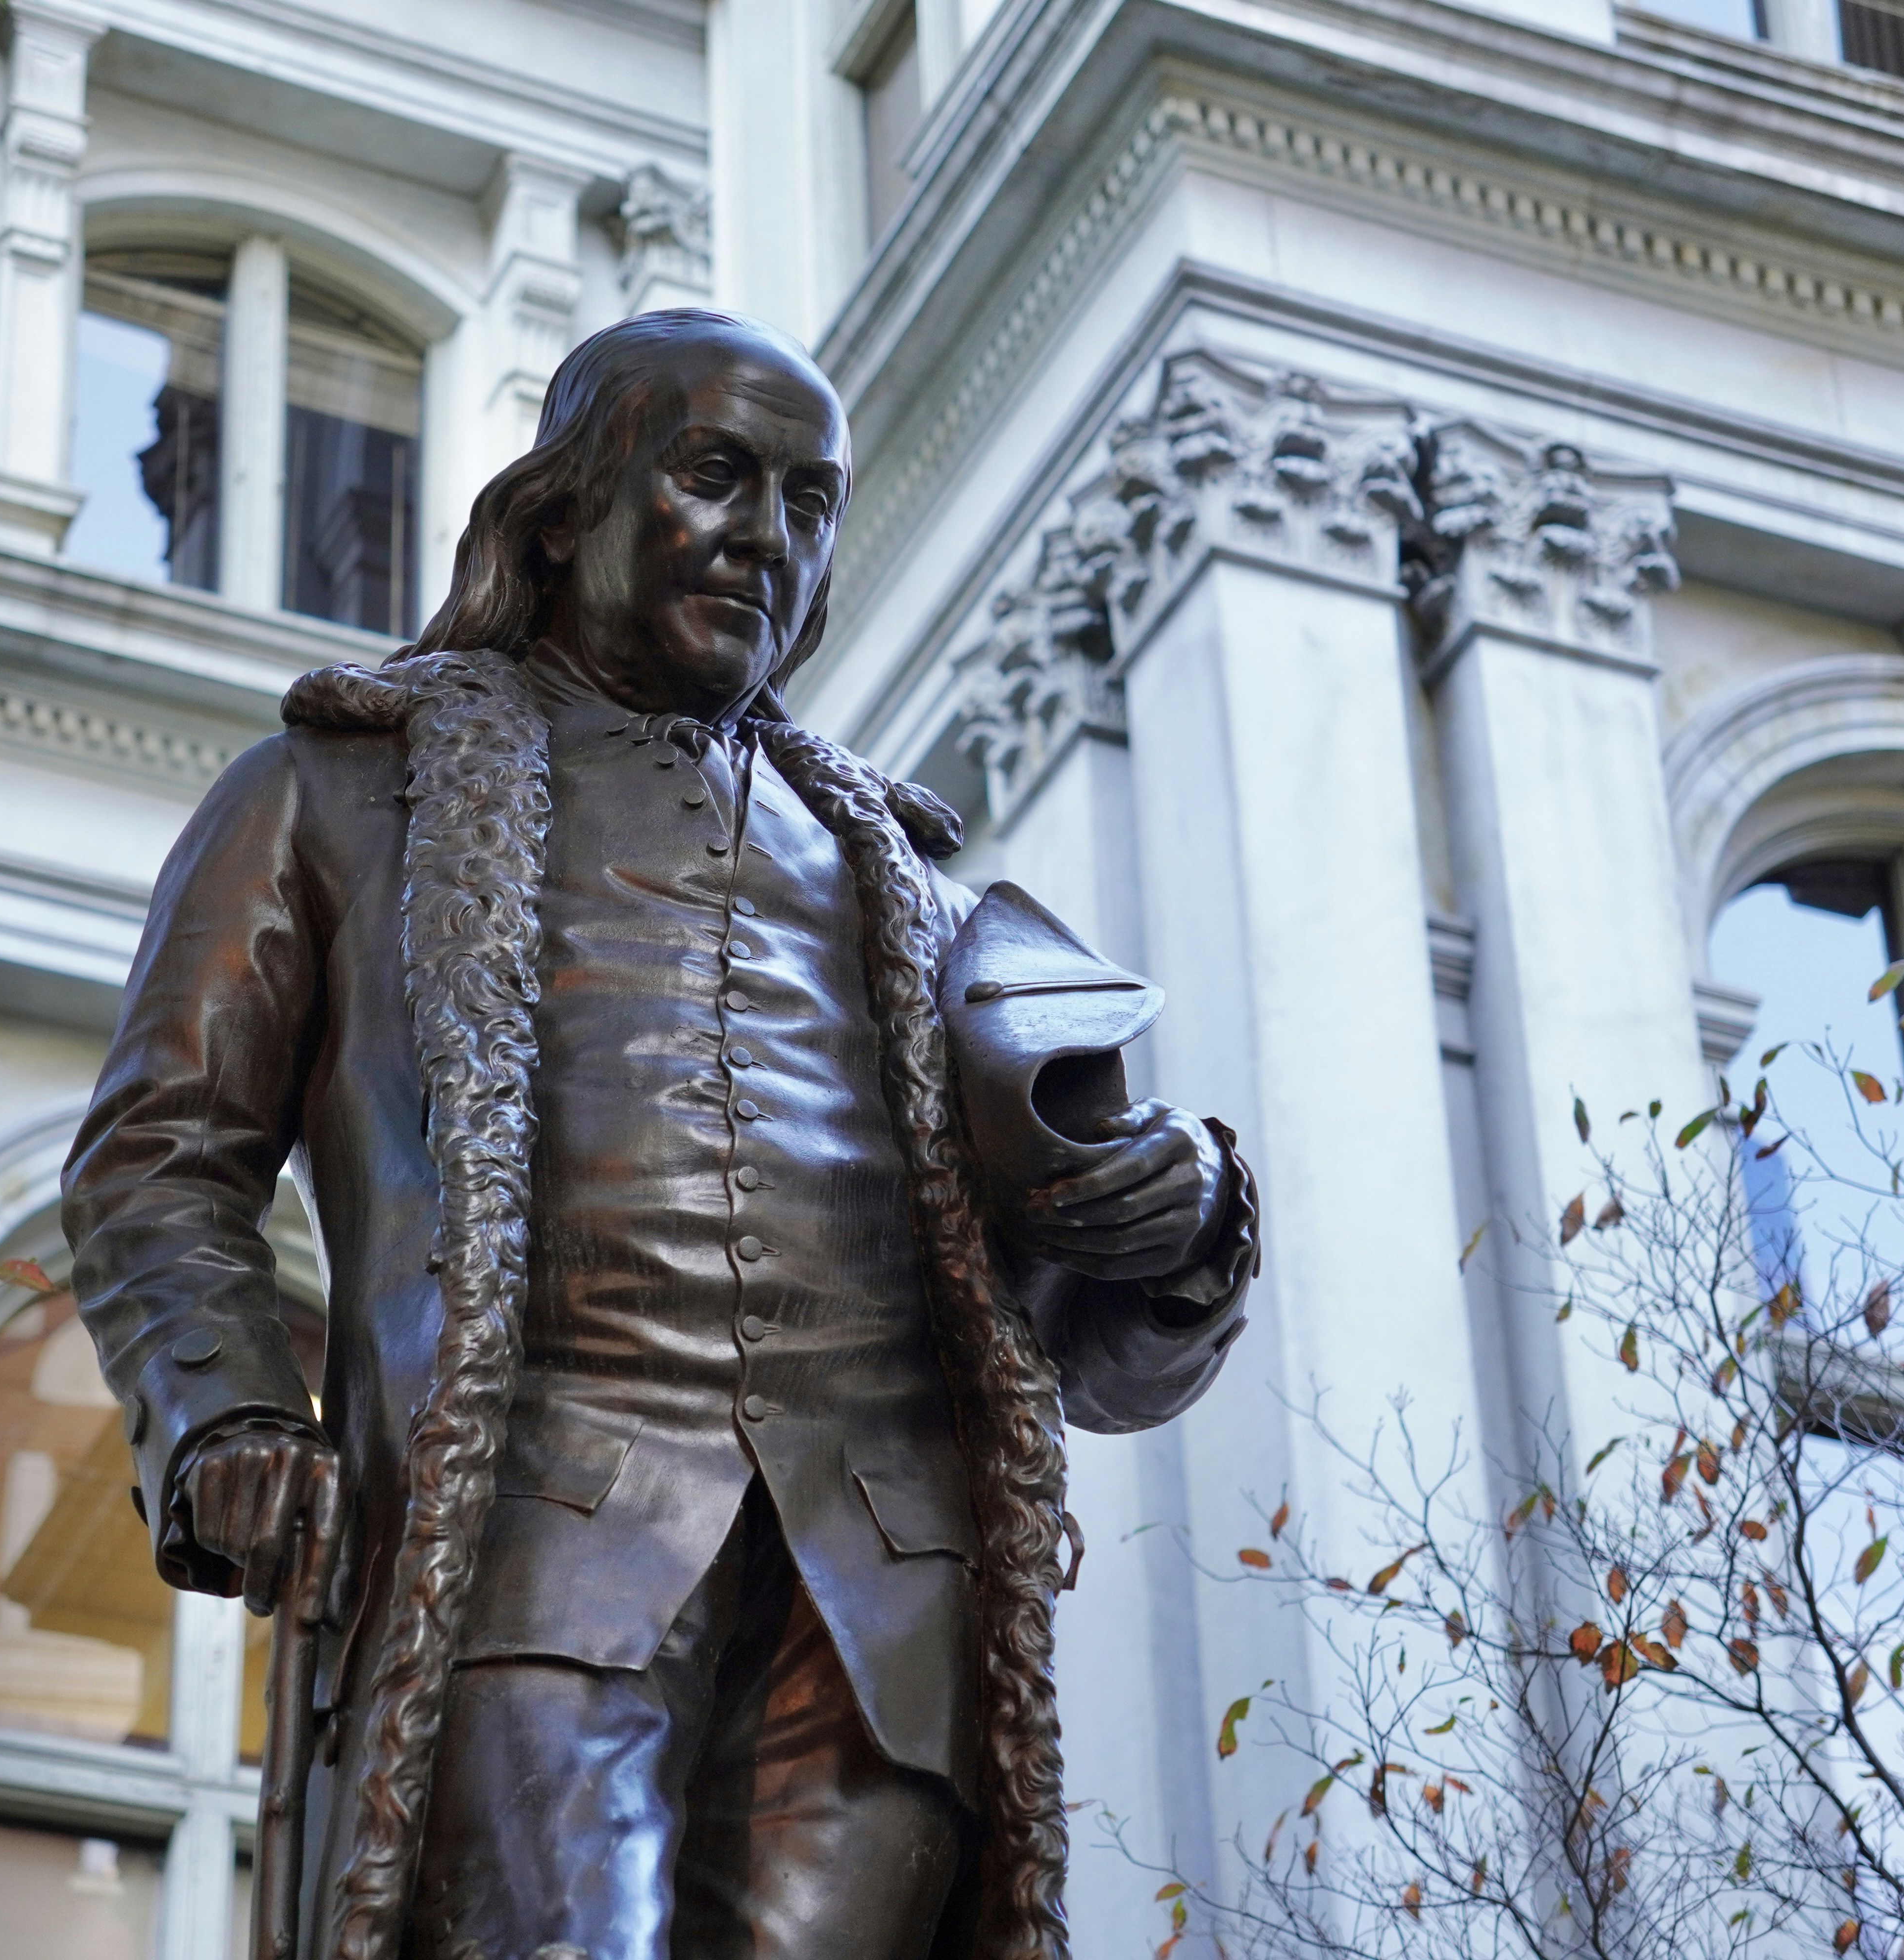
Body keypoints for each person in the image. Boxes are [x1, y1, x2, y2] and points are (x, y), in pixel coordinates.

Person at [62, 308, 1259, 1960]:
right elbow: (161, 1165)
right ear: (564, 508)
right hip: (530, 1547)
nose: (768, 536)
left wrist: (1177, 1235)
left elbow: (1090, 1355)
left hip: (880, 1597)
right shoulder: (333, 796)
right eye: (718, 476)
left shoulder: (914, 899)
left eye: (813, 501)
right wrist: (227, 1415)